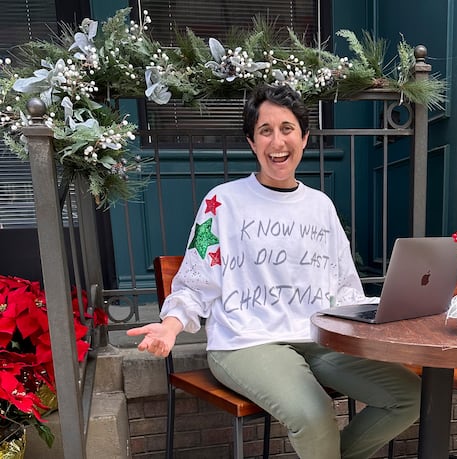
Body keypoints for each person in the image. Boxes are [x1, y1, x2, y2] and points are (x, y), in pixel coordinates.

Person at [127, 84, 421, 459]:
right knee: (314, 417)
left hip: (320, 338)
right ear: (252, 141)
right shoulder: (223, 203)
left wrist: (385, 315)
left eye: (287, 128)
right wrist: (170, 326)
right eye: (265, 130)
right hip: (246, 342)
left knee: (409, 396)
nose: (277, 141)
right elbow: (195, 282)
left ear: (304, 137)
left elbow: (346, 289)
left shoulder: (321, 207)